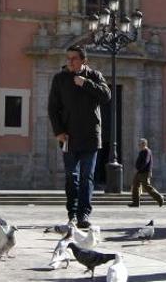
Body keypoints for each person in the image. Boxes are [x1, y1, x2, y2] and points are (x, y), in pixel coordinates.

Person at [48, 45, 111, 229]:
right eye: (68, 58)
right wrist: (58, 131)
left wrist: (85, 83)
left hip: (91, 136)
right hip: (68, 137)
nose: (70, 61)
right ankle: (72, 214)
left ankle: (83, 214)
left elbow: (106, 96)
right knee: (71, 176)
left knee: (87, 177)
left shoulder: (95, 76)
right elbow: (53, 108)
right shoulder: (59, 79)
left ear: (84, 60)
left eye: (74, 58)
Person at [128, 138, 164, 207]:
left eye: (140, 144)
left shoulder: (147, 151)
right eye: (139, 144)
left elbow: (146, 162)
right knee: (135, 186)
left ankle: (159, 197)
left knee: (147, 187)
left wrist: (140, 168)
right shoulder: (142, 151)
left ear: (144, 144)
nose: (139, 145)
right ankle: (136, 203)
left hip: (145, 172)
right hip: (140, 172)